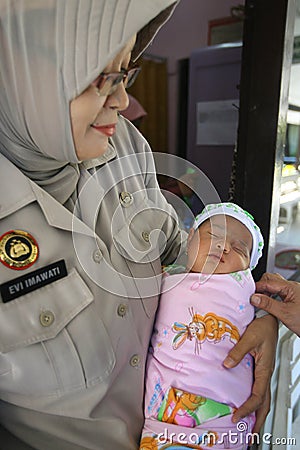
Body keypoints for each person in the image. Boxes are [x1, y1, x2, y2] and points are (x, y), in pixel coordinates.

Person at [0, 1, 277, 449]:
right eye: (100, 79)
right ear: (22, 74)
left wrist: (252, 315)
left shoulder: (124, 144)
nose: (124, 101)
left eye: (126, 72)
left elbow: (180, 258)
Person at [140, 202, 264, 449]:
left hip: (224, 413)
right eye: (215, 235)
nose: (225, 246)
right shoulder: (164, 278)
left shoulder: (245, 290)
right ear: (190, 241)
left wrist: (268, 318)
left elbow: (270, 305)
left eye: (240, 248)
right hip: (163, 404)